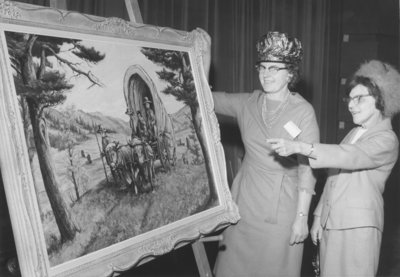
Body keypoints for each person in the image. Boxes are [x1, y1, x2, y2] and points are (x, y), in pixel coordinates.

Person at [197, 29, 320, 276]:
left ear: (290, 74)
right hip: (243, 202)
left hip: (281, 208)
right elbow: (203, 97)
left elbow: (308, 168)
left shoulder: (303, 111)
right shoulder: (248, 103)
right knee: (232, 266)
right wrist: (205, 53)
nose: (266, 74)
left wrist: (301, 217)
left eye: (274, 68)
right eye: (262, 67)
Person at [267, 60, 400, 276]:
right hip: (334, 223)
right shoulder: (355, 133)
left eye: (359, 99)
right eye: (350, 98)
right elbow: (334, 178)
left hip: (358, 227)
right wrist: (319, 216)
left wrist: (302, 146)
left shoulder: (387, 139)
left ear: (382, 100)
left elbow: (348, 156)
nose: (350, 105)